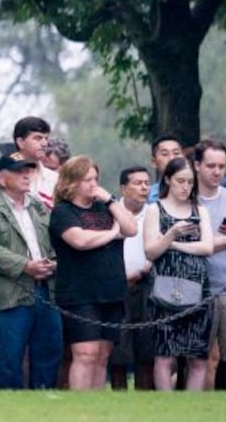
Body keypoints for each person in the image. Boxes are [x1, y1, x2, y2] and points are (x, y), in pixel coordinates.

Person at [0, 152, 59, 389]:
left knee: (49, 352)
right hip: (10, 295)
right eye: (19, 171)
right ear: (2, 178)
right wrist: (26, 266)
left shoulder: (39, 206)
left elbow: (55, 239)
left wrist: (53, 262)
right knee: (9, 358)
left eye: (27, 170)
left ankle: (45, 404)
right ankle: (8, 408)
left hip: (46, 290)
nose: (26, 175)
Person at [49, 155, 137, 389]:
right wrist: (111, 234)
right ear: (71, 182)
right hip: (80, 294)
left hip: (112, 291)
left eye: (95, 178)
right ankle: (80, 406)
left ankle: (96, 406)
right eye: (87, 179)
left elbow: (130, 228)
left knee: (102, 355)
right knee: (86, 352)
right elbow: (80, 240)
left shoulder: (107, 207)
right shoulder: (62, 212)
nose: (93, 184)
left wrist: (110, 200)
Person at [143, 155, 214, 390]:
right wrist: (171, 234)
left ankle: (191, 407)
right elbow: (151, 251)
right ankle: (166, 406)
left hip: (198, 288)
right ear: (168, 180)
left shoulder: (199, 210)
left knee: (197, 355)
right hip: (164, 290)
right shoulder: (155, 209)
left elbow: (207, 247)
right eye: (180, 181)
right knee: (165, 354)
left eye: (190, 182)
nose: (185, 187)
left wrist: (173, 245)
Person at [194, 139, 226, 389]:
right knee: (198, 359)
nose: (217, 172)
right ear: (197, 166)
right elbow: (188, 244)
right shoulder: (187, 199)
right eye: (211, 165)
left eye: (222, 166)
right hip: (194, 290)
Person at [108, 165, 155, 391]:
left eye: (147, 183)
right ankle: (118, 401)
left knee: (146, 351)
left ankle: (145, 402)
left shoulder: (155, 213)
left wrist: (147, 267)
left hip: (147, 286)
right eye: (137, 183)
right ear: (123, 188)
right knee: (118, 351)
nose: (144, 188)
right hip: (116, 287)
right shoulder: (109, 213)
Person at [12, 115, 58, 208]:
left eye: (46, 138)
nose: (45, 143)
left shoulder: (55, 179)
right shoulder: (1, 179)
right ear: (21, 142)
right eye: (38, 138)